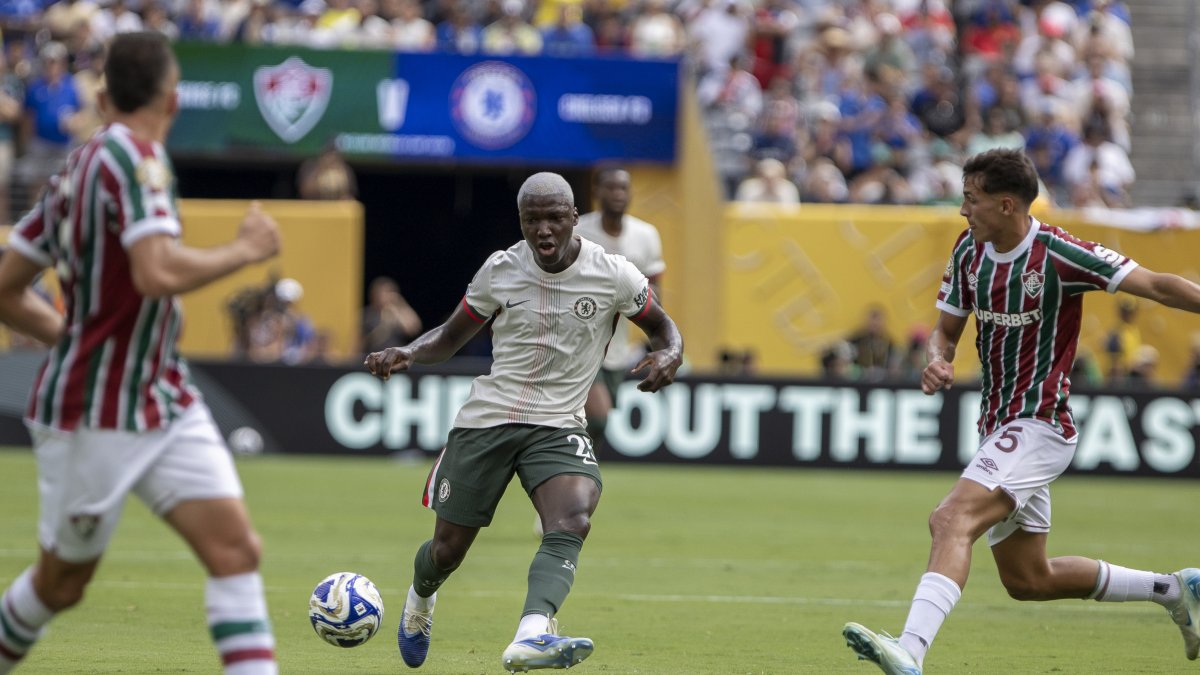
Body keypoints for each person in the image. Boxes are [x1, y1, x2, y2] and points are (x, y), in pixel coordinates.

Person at [842, 148, 1200, 675]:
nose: (963, 210)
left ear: (1007, 205)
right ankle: (1173, 589)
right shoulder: (969, 251)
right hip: (997, 427)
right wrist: (937, 362)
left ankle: (911, 652)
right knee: (1028, 580)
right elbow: (944, 333)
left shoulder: (1060, 253)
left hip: (1040, 423)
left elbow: (1155, 284)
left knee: (950, 519)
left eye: (972, 199)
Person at [0, 32, 281, 674]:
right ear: (173, 100)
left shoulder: (76, 166)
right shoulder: (138, 159)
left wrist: (69, 335)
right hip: (93, 412)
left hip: (161, 395)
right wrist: (244, 251)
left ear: (101, 97)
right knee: (59, 586)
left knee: (236, 551)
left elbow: (8, 289)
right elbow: (154, 271)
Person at [364, 172, 683, 672]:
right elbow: (450, 337)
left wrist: (672, 354)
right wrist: (407, 351)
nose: (544, 231)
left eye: (555, 218)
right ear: (521, 222)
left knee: (574, 517)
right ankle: (420, 599)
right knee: (446, 552)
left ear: (575, 218)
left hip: (558, 423)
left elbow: (663, 326)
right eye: (532, 220)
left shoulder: (615, 274)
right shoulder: (500, 270)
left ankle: (532, 631)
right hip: (489, 420)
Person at [573, 166, 667, 450]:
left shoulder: (646, 235)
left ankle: (572, 468)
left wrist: (658, 339)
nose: (617, 194)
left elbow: (655, 290)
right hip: (579, 340)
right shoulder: (579, 232)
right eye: (610, 187)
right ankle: (569, 470)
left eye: (623, 188)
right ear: (597, 192)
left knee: (596, 420)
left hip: (616, 345)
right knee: (598, 418)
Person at [360, 275, 422, 354]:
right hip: (374, 357)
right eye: (380, 292)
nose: (383, 296)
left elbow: (414, 329)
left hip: (396, 357)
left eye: (387, 292)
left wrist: (401, 303)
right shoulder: (367, 314)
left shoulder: (398, 312)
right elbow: (360, 341)